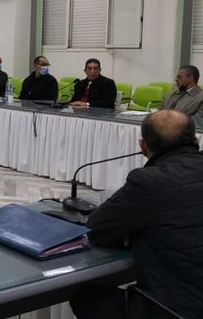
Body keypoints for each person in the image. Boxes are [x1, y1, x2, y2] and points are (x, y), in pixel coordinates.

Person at [70, 110, 203, 319]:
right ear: (196, 141)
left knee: (85, 297)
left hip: (174, 310)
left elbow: (97, 229)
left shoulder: (149, 181)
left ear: (143, 146)